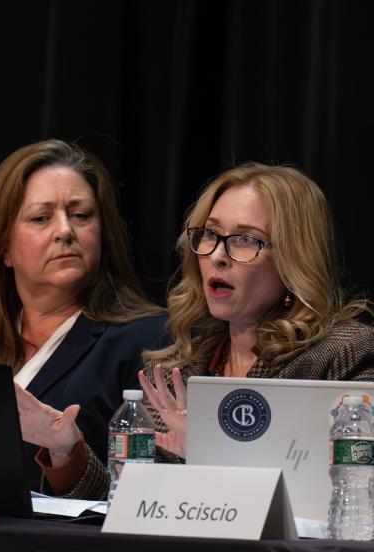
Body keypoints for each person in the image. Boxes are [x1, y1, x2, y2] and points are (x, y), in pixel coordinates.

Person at [0, 139, 167, 500]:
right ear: (3, 248)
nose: (65, 231)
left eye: (81, 215)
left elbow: (151, 497)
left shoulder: (147, 340)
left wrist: (67, 453)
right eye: (41, 218)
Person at [140, 162, 374, 458]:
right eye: (211, 233)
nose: (218, 255)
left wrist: (211, 450)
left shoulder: (345, 358)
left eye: (246, 240)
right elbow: (128, 492)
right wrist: (69, 457)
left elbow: (355, 482)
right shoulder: (174, 373)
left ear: (294, 257)